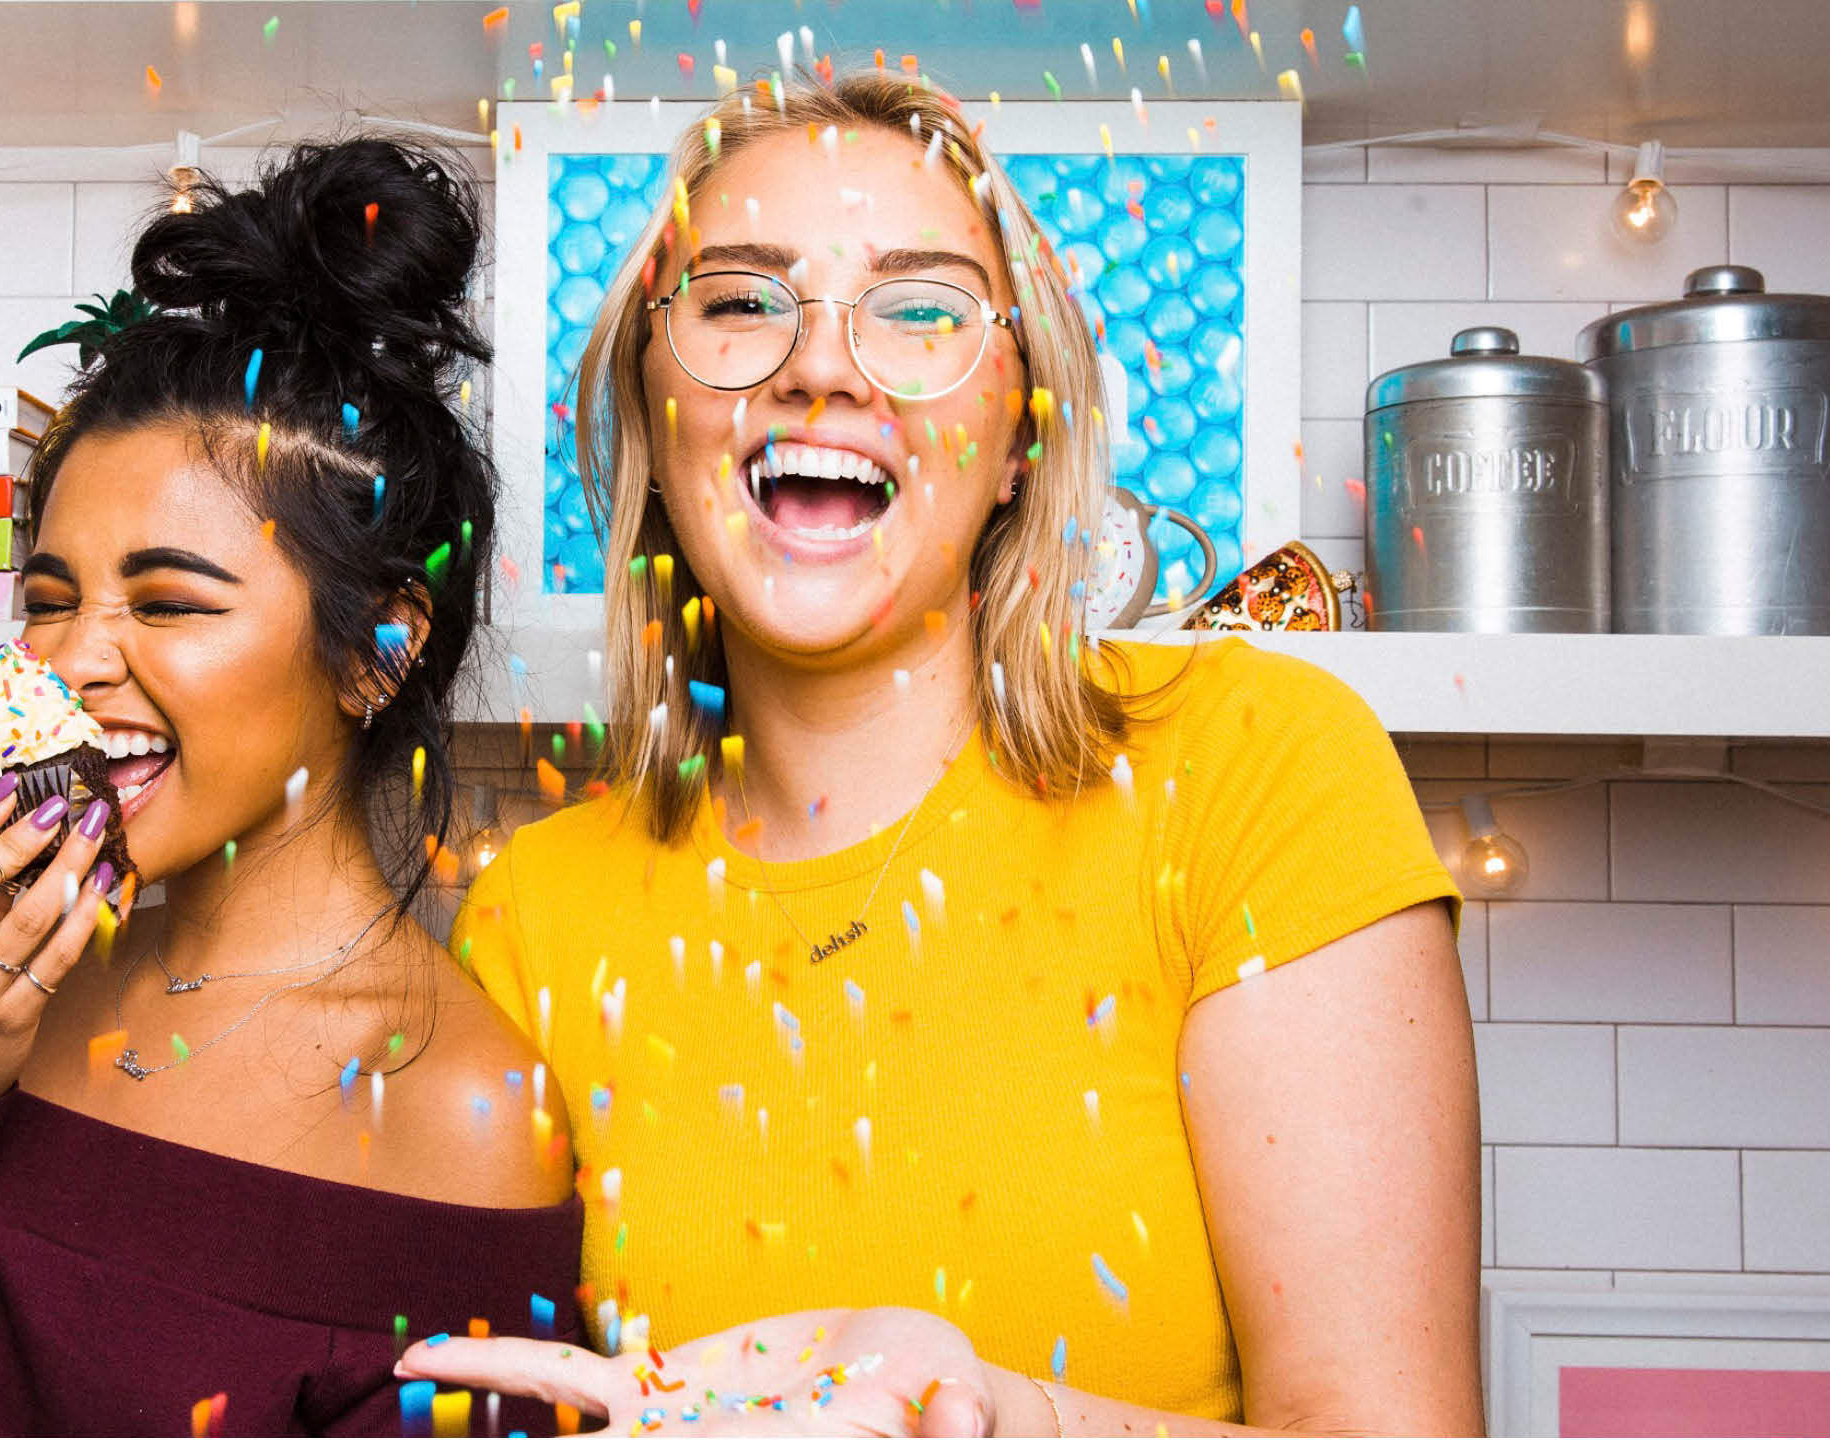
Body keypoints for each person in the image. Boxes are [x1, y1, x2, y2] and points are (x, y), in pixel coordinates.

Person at [400, 72, 1484, 1436]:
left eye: (920, 310)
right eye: (741, 301)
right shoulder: (532, 920)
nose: (824, 364)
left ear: (1021, 435)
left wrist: (977, 1410)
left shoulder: (1254, 768)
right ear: (654, 426)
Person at [0, 137, 581, 1435]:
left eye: (166, 600)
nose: (71, 660)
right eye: (49, 600)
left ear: (381, 647)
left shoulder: (463, 1115)